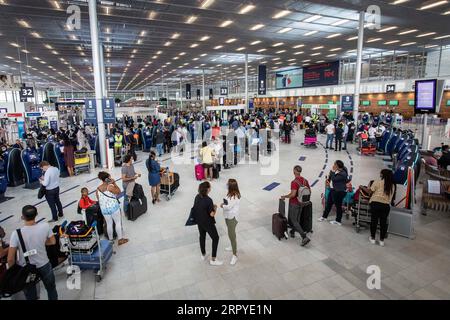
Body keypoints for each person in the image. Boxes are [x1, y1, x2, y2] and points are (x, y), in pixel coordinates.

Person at [7, 205, 58, 300]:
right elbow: (53, 241)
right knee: (51, 288)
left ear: (22, 217)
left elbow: (10, 259)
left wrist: (13, 272)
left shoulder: (16, 234)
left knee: (31, 294)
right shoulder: (45, 226)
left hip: (26, 268)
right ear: (37, 214)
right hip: (44, 264)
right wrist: (41, 242)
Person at [361, 169, 395, 247]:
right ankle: (381, 241)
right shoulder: (392, 185)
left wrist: (362, 187)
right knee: (383, 223)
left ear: (383, 175)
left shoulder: (377, 182)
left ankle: (372, 238)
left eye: (380, 173)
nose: (379, 174)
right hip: (385, 206)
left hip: (375, 204)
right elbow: (391, 197)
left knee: (374, 221)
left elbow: (369, 192)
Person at [192, 181, 222, 266]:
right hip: (208, 222)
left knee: (202, 236)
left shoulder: (197, 196)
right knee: (215, 238)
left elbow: (196, 208)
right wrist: (215, 208)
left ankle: (203, 254)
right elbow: (212, 214)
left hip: (199, 221)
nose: (211, 188)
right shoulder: (209, 200)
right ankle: (213, 259)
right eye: (210, 187)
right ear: (207, 189)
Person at [281, 166, 311, 246]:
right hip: (302, 203)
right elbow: (309, 191)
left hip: (294, 204)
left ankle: (304, 237)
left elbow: (293, 194)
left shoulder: (294, 182)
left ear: (294, 171)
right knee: (297, 219)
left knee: (293, 220)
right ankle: (293, 232)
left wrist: (285, 196)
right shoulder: (305, 181)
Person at [96, 171, 129, 246]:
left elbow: (99, 200)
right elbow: (119, 192)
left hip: (104, 210)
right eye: (110, 177)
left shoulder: (97, 189)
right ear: (107, 178)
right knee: (117, 223)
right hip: (113, 208)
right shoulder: (110, 187)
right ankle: (120, 239)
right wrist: (114, 183)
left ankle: (110, 240)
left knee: (108, 224)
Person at [318, 160, 348, 226]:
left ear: (337, 166)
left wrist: (332, 172)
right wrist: (328, 180)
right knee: (328, 204)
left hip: (340, 192)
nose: (333, 165)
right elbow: (331, 178)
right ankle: (324, 217)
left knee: (338, 206)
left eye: (334, 164)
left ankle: (338, 221)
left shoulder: (343, 173)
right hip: (334, 190)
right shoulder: (338, 171)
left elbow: (334, 179)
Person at [220, 179, 240, 265]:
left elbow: (229, 207)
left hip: (232, 218)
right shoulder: (230, 193)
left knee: (231, 235)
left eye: (227, 184)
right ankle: (232, 247)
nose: (226, 184)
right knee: (231, 234)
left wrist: (222, 205)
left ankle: (235, 255)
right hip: (228, 217)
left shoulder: (235, 196)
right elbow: (228, 204)